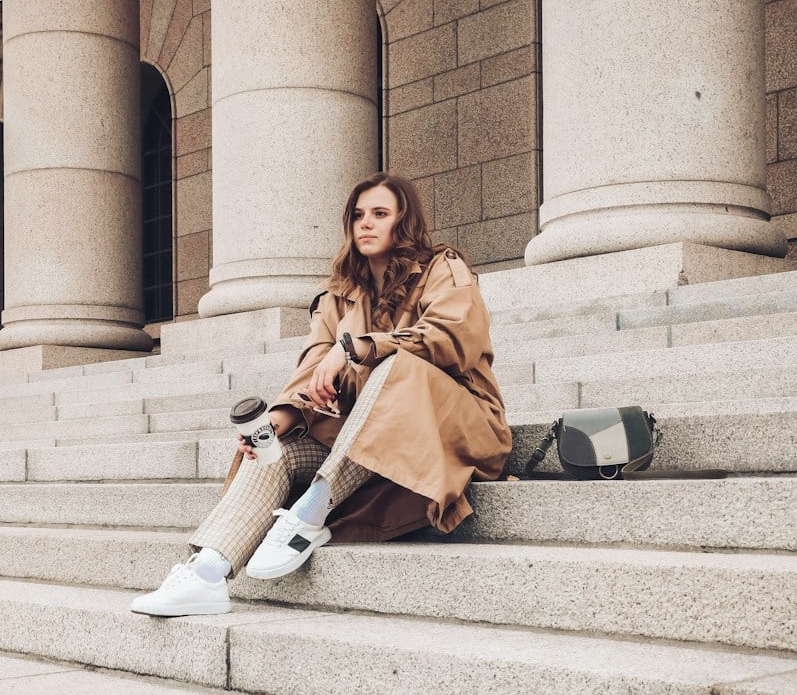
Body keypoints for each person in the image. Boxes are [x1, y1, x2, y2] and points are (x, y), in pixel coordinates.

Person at [132, 172, 512, 616]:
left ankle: (308, 514)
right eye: (357, 216)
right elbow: (311, 367)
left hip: (454, 428)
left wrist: (357, 347)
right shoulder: (337, 297)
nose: (365, 224)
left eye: (380, 214)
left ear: (403, 222)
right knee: (280, 449)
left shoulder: (444, 268)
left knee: (398, 366)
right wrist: (277, 422)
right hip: (372, 450)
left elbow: (452, 337)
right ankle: (206, 572)